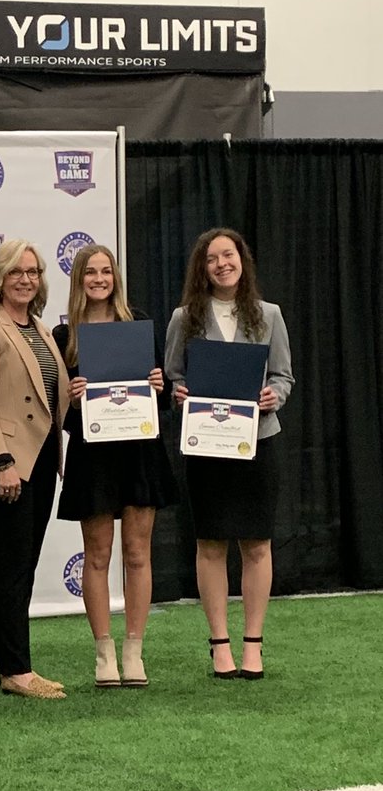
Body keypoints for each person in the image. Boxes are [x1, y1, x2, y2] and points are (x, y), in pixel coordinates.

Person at [165, 227, 294, 679]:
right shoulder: (184, 318)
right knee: (211, 543)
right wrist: (180, 393)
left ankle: (253, 645)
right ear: (202, 269)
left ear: (242, 260)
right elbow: (173, 378)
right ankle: (219, 644)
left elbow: (283, 377)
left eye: (229, 255)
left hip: (257, 442)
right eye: (212, 258)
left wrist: (272, 396)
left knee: (257, 543)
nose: (222, 264)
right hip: (206, 445)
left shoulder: (269, 314)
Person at [54, 244, 177, 688]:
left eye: (107, 271)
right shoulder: (62, 335)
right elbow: (61, 417)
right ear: (79, 279)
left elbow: (160, 397)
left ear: (116, 278)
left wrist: (157, 386)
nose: (100, 279)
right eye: (91, 272)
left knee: (138, 553)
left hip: (139, 452)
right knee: (98, 554)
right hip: (93, 454)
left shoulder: (139, 324)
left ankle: (134, 650)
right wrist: (73, 397)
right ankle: (104, 652)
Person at [0, 239, 69, 700]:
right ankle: (16, 670)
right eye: (16, 272)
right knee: (12, 562)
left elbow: (52, 397)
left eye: (33, 271)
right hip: (6, 461)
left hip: (43, 457)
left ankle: (9, 660)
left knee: (21, 563)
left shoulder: (43, 330)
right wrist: (0, 461)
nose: (26, 279)